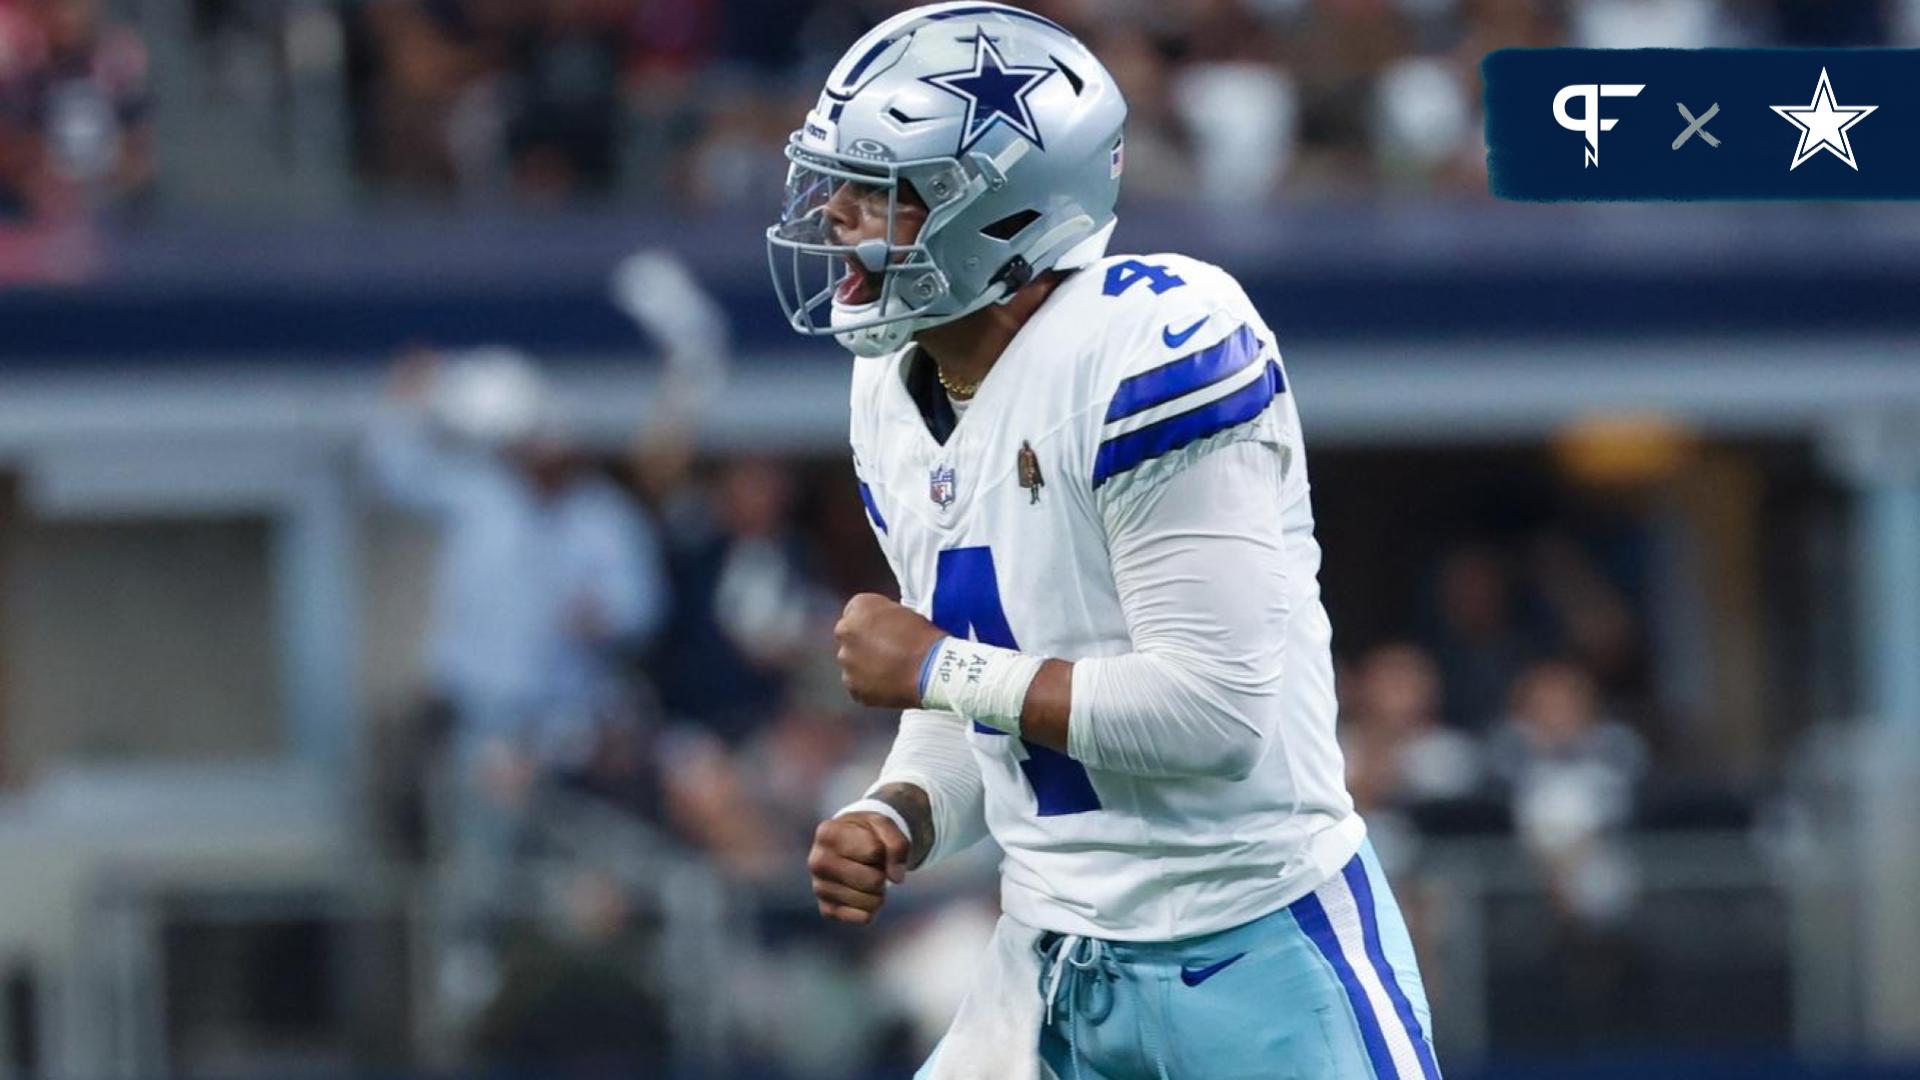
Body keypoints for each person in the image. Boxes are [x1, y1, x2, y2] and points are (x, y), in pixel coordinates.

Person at [770, 5, 1440, 1078]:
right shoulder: (889, 389)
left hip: (1252, 953)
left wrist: (936, 666)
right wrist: (901, 808)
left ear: (996, 212)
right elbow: (974, 698)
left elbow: (1210, 713)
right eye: (839, 179)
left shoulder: (1153, 342)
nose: (839, 215)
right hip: (1048, 957)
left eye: (882, 189)